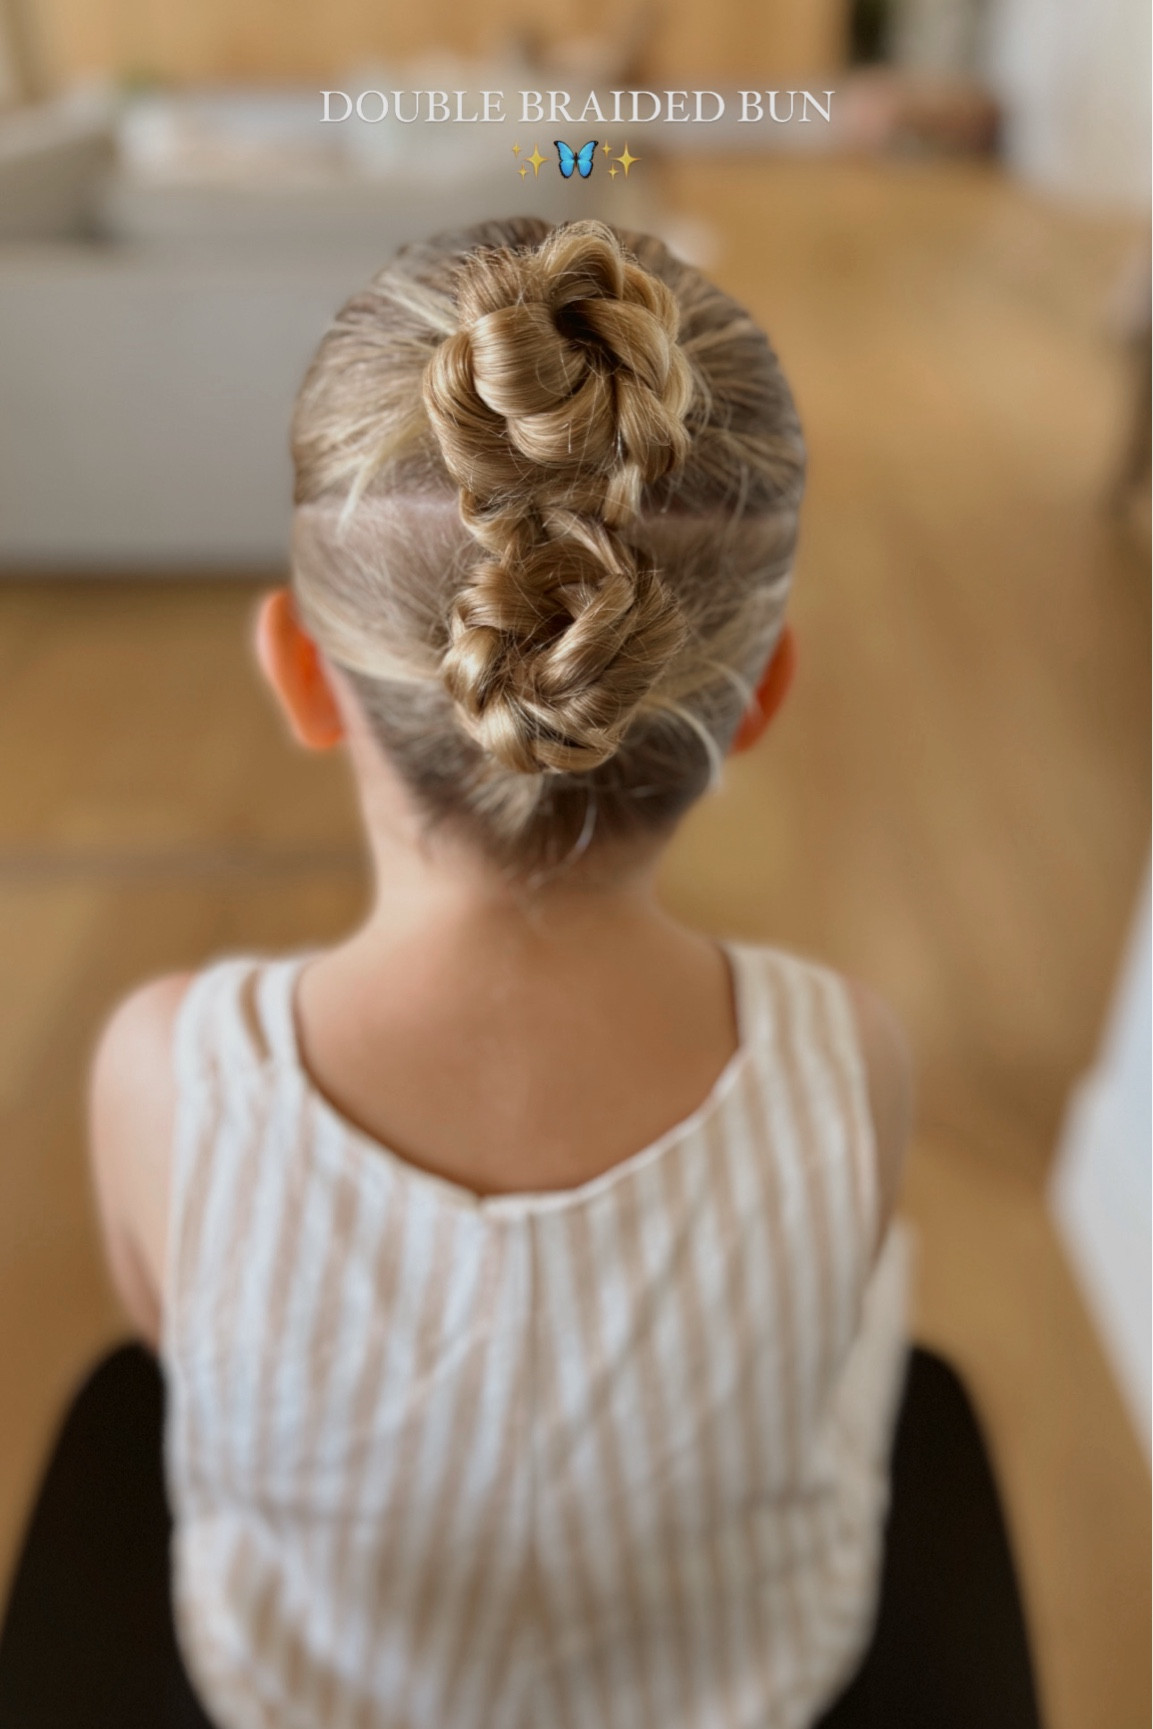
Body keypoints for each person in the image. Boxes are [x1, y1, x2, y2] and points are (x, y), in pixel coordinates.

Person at [88, 217, 912, 1729]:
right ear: (759, 698)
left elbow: (175, 1350)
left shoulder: (165, 1071)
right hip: (742, 1687)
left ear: (298, 673)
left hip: (301, 1687)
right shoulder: (845, 1059)